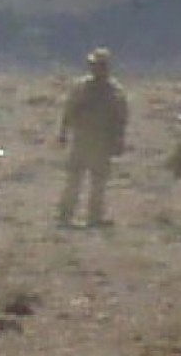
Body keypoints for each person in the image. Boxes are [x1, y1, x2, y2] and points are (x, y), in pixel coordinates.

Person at [57, 47, 129, 228]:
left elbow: (121, 119)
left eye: (100, 65)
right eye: (94, 65)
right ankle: (65, 215)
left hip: (102, 143)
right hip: (81, 140)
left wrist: (119, 141)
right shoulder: (81, 87)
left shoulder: (115, 91)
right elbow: (69, 110)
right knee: (74, 180)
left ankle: (94, 217)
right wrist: (63, 133)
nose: (96, 69)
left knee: (98, 183)